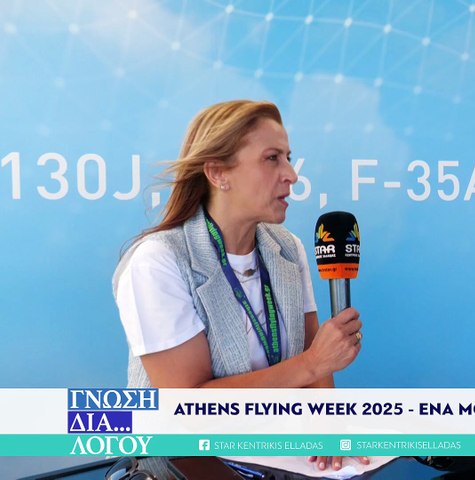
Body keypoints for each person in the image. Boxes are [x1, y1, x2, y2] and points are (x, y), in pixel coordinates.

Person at [113, 100, 367, 475]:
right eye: (272, 158)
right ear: (218, 173)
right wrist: (311, 364)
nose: (291, 175)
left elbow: (316, 365)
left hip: (279, 457)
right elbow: (189, 409)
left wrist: (329, 429)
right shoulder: (157, 261)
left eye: (288, 158)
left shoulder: (287, 248)